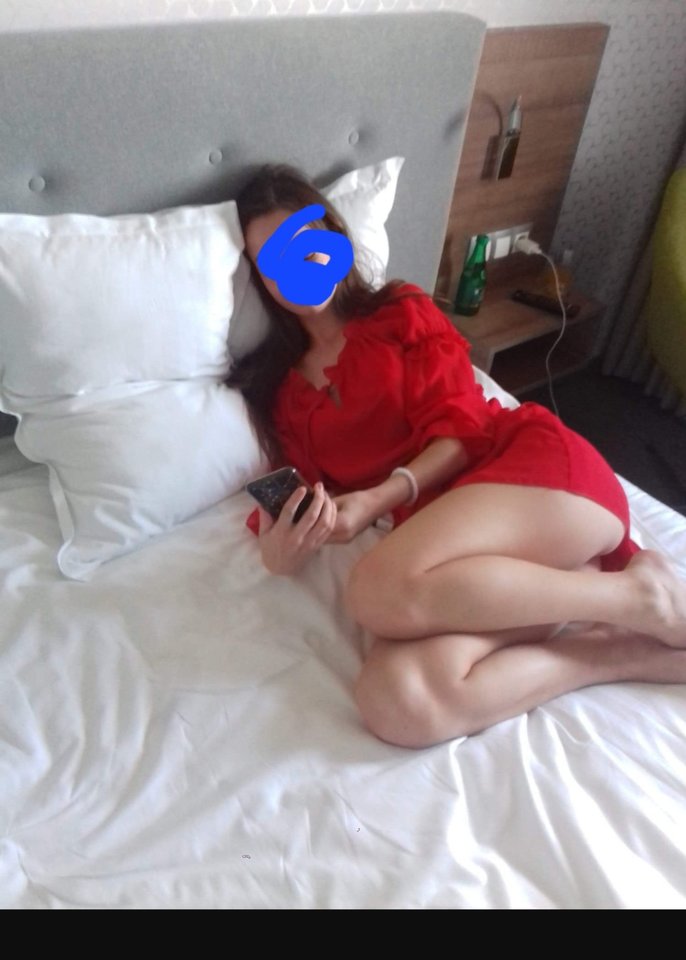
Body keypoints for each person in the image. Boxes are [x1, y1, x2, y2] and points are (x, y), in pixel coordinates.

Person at [226, 163, 686, 750]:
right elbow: (298, 497)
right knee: (398, 700)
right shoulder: (285, 395)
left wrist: (377, 500)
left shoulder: (399, 312)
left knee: (374, 590)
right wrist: (280, 553)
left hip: (529, 471)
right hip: (463, 559)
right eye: (270, 263)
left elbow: (463, 427)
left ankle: (640, 597)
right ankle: (612, 648)